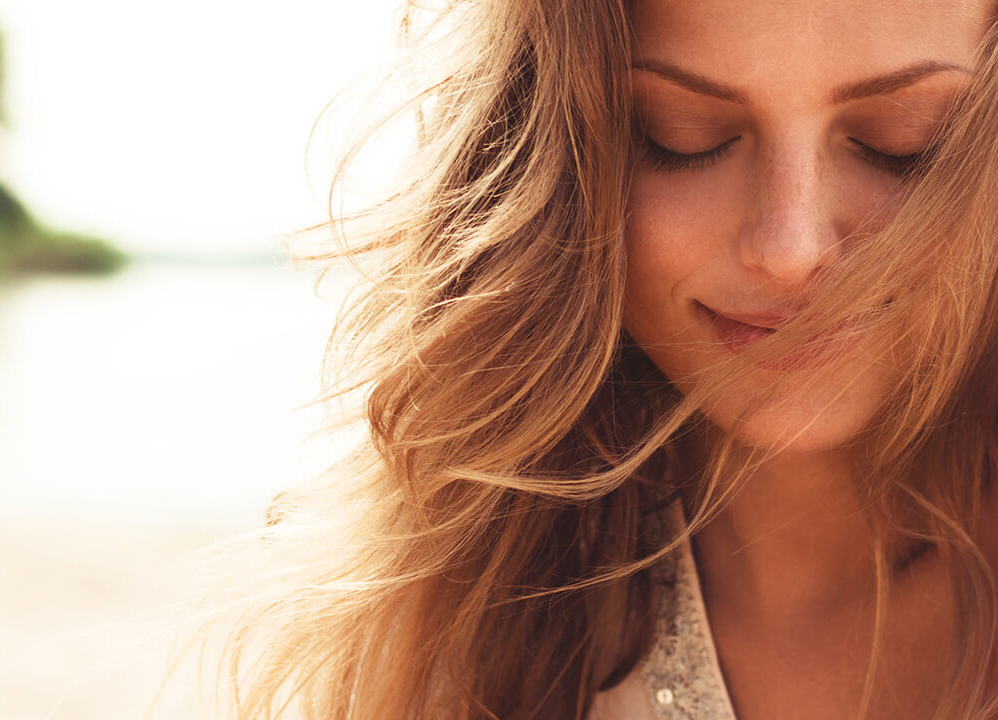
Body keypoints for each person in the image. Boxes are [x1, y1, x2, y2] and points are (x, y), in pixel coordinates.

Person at [215, 1, 998, 718]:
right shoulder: (463, 610)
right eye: (681, 134)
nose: (787, 250)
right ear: (558, 166)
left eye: (907, 143)